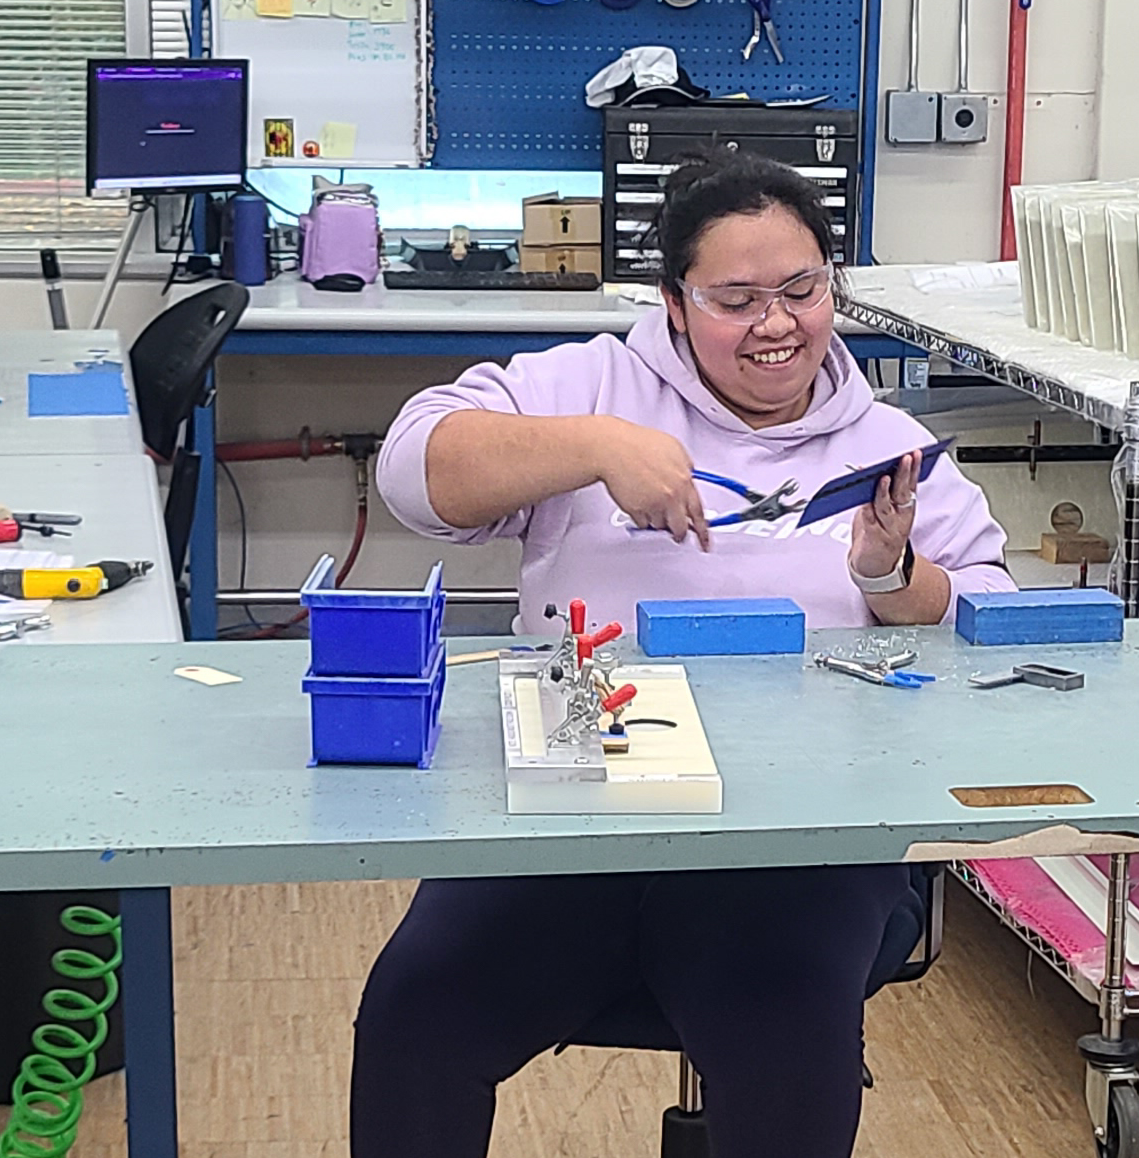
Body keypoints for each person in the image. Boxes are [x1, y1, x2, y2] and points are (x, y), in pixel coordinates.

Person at [357, 148, 1016, 1158]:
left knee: (794, 1060)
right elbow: (411, 468)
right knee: (414, 1015)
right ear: (672, 302)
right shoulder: (590, 381)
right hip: (573, 807)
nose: (775, 324)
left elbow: (982, 631)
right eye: (734, 298)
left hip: (798, 836)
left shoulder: (885, 444)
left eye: (801, 290)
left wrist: (892, 575)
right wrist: (593, 445)